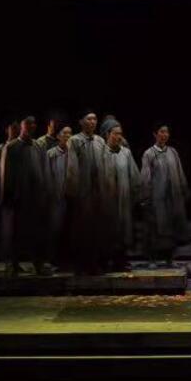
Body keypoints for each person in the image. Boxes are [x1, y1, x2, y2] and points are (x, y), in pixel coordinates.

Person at [0, 116, 54, 276]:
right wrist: (7, 197)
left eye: (33, 124)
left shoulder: (38, 146)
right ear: (21, 126)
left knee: (37, 232)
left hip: (36, 197)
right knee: (14, 232)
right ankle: (12, 264)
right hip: (17, 197)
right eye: (27, 124)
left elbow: (45, 170)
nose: (31, 126)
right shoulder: (11, 147)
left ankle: (38, 264)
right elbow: (5, 175)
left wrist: (46, 193)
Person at [140, 124, 191, 268]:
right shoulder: (149, 154)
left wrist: (183, 189)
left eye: (166, 132)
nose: (164, 135)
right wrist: (145, 197)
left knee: (171, 229)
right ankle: (152, 259)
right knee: (155, 229)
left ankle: (169, 259)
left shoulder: (173, 152)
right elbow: (145, 177)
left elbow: (180, 172)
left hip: (173, 198)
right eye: (161, 132)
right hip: (157, 198)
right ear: (155, 134)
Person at [67, 110, 107, 274]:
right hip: (82, 192)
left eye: (95, 119)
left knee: (96, 229)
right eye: (89, 119)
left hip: (98, 192)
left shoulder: (100, 141)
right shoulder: (75, 141)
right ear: (81, 122)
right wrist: (74, 191)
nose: (92, 122)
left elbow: (105, 164)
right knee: (81, 229)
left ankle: (94, 264)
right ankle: (80, 265)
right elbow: (72, 167)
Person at [99, 118, 141, 272]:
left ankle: (120, 261)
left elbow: (135, 178)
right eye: (115, 134)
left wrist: (135, 198)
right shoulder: (100, 153)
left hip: (123, 201)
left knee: (123, 231)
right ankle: (104, 261)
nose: (119, 137)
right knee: (105, 230)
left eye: (120, 134)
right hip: (105, 202)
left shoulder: (126, 153)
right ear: (107, 134)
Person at [46, 124, 76, 267]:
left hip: (72, 198)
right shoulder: (51, 154)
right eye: (64, 133)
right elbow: (47, 176)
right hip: (56, 198)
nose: (68, 136)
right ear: (58, 136)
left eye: (70, 133)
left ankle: (68, 260)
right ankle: (54, 260)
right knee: (56, 228)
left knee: (70, 229)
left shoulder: (74, 154)